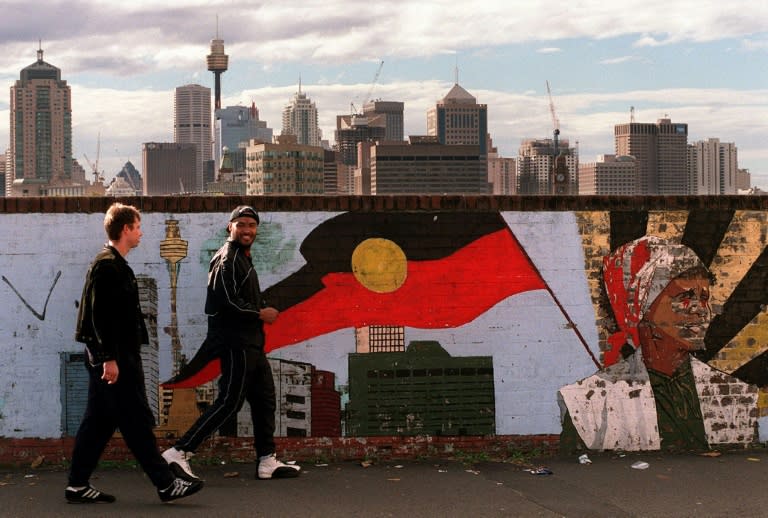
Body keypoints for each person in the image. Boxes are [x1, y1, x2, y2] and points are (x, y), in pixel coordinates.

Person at [558, 236, 758, 451]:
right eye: (685, 297)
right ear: (641, 307)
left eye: (704, 298)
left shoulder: (736, 396)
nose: (702, 310)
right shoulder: (588, 402)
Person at [66, 202, 204, 504]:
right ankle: (166, 484)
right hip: (117, 360)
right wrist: (109, 359)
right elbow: (100, 316)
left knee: (99, 424)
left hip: (118, 358)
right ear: (125, 229)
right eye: (138, 227)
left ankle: (77, 484)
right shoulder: (108, 265)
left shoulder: (114, 264)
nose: (141, 233)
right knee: (136, 421)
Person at [162, 205, 301, 480]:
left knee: (264, 400)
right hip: (237, 342)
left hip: (252, 343)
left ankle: (267, 460)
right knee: (229, 401)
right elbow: (223, 301)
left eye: (251, 225)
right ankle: (179, 452)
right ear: (230, 227)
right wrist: (259, 313)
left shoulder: (242, 258)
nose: (247, 230)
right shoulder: (227, 259)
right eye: (242, 224)